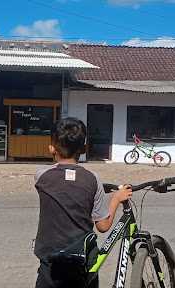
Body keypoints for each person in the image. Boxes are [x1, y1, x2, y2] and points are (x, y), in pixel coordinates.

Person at [34, 117, 133, 288]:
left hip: (50, 260)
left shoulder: (41, 177)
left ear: (51, 148)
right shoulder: (92, 180)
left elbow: (64, 185)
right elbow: (102, 226)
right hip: (81, 261)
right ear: (84, 148)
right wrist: (116, 198)